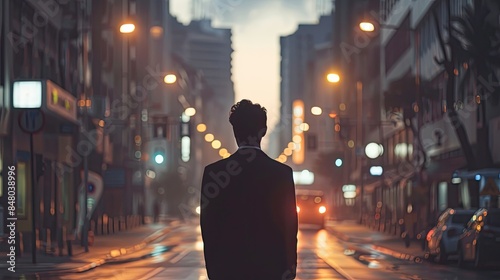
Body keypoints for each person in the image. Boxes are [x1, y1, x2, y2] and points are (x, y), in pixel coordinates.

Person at [200, 100, 298, 280]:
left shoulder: (214, 173)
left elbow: (209, 228)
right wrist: (289, 270)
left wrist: (214, 273)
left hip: (228, 271)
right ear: (263, 131)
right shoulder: (282, 174)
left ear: (234, 131)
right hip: (271, 271)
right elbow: (290, 227)